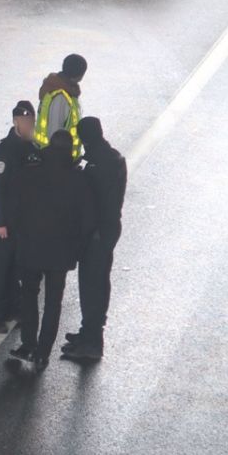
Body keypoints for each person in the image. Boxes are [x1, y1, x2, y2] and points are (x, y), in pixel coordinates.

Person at [7, 130, 94, 372]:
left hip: (30, 248)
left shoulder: (29, 174)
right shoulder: (78, 180)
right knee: (53, 302)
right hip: (60, 253)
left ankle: (27, 344)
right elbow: (87, 220)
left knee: (29, 296)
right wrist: (76, 247)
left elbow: (14, 208)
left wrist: (20, 236)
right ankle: (43, 352)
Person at [62, 117, 128, 361]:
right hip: (106, 231)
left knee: (93, 286)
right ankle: (88, 332)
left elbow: (91, 203)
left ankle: (92, 342)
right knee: (94, 283)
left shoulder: (97, 166)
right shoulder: (111, 158)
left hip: (98, 234)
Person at [0, 100, 40, 334]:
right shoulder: (4, 153)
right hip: (6, 224)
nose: (29, 126)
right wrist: (0, 222)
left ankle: (15, 309)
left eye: (32, 122)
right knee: (2, 269)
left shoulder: (33, 150)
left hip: (25, 224)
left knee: (20, 269)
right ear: (17, 121)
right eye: (26, 121)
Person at [36, 54, 87, 157]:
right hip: (57, 160)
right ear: (80, 75)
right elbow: (54, 134)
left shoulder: (68, 91)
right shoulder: (60, 98)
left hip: (65, 158)